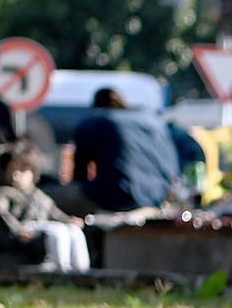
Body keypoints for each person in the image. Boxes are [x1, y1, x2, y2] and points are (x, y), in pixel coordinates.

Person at [69, 85, 181, 213]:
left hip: (118, 198)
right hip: (159, 198)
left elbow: (80, 171)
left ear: (96, 107)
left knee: (57, 195)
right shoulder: (153, 122)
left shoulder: (97, 121)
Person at [0, 144, 90, 272]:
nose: (15, 175)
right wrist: (17, 230)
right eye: (12, 169)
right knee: (57, 232)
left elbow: (53, 213)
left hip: (42, 225)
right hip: (25, 228)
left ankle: (82, 269)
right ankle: (61, 270)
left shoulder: (38, 196)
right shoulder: (4, 193)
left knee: (74, 231)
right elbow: (2, 214)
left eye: (21, 170)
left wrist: (68, 220)